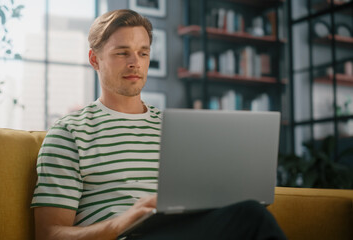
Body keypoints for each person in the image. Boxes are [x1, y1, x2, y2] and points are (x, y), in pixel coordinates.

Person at [31, 9, 286, 240]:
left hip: (183, 232)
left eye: (143, 53)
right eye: (122, 53)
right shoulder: (69, 132)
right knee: (251, 217)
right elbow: (49, 234)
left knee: (250, 213)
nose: (135, 62)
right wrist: (121, 222)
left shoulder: (175, 129)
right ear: (95, 60)